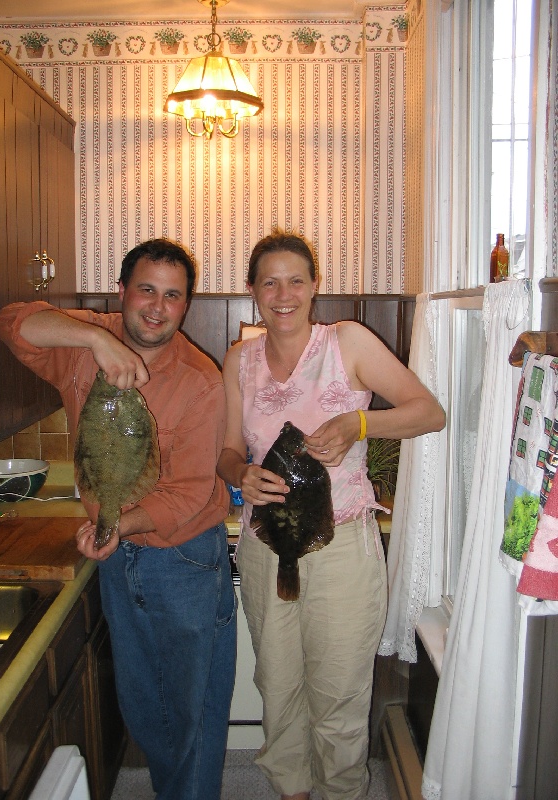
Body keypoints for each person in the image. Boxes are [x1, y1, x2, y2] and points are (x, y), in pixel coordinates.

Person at [0, 239, 236, 800]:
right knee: (145, 707)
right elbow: (11, 321)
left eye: (173, 296)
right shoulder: (83, 342)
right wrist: (95, 339)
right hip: (116, 555)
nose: (156, 307)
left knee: (190, 711)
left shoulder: (202, 380)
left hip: (181, 562)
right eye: (146, 289)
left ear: (186, 306)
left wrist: (118, 526)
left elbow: (191, 492)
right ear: (122, 291)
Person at [216, 231, 445, 800]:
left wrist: (358, 424)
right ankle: (291, 791)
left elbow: (429, 412)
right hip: (266, 547)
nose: (283, 293)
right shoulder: (238, 360)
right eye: (269, 281)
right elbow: (224, 450)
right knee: (277, 686)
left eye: (296, 280)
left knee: (339, 695)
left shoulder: (349, 343)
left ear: (316, 287)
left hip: (342, 547)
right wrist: (236, 473)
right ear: (252, 291)